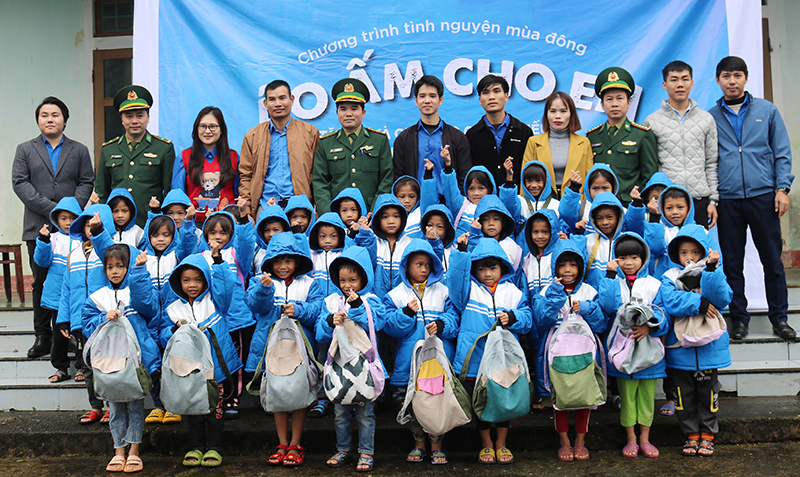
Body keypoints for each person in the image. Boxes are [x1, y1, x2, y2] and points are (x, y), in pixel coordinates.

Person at [708, 56, 795, 341]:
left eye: (737, 76)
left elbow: (782, 151)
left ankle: (779, 319)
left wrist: (782, 188)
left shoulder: (766, 111)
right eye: (726, 76)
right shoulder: (711, 116)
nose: (731, 81)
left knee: (772, 260)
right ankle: (740, 320)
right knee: (732, 263)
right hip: (729, 200)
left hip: (763, 197)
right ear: (718, 80)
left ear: (745, 78)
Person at [12, 96, 95, 359]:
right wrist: (53, 210)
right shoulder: (25, 149)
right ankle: (42, 336)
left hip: (73, 229)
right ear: (38, 120)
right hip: (39, 227)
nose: (50, 119)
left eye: (55, 114)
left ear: (65, 120)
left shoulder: (79, 150)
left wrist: (70, 212)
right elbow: (20, 183)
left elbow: (86, 182)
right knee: (41, 281)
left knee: (72, 279)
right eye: (44, 115)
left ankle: (67, 332)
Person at [160, 251, 250, 468]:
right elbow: (162, 333)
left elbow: (227, 287)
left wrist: (218, 262)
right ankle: (196, 447)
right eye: (186, 280)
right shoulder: (173, 309)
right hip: (188, 370)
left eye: (198, 280)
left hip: (215, 369)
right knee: (193, 411)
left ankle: (215, 448)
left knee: (215, 410)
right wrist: (174, 329)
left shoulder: (216, 302)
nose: (192, 285)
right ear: (177, 281)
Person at [449, 237, 532, 464]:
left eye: (493, 268)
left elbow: (527, 318)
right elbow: (455, 278)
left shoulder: (512, 292)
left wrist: (514, 317)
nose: (487, 273)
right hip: (475, 358)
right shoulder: (467, 291)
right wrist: (462, 252)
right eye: (482, 268)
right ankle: (487, 444)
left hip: (504, 359)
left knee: (503, 399)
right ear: (474, 269)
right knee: (482, 402)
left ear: (502, 268)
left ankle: (502, 444)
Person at [246, 232, 323, 467]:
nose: (282, 266)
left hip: (300, 350)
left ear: (298, 262)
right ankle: (282, 442)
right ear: (269, 262)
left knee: (299, 395)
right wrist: (265, 289)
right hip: (273, 350)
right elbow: (255, 304)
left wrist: (299, 310)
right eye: (278, 261)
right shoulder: (260, 281)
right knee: (278, 392)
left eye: (288, 261)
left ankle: (296, 443)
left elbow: (318, 310)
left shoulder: (310, 283)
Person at [82, 244, 160, 473]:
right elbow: (86, 324)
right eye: (110, 267)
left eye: (120, 266)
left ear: (128, 267)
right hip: (108, 362)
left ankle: (134, 450)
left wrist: (139, 272)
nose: (115, 271)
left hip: (133, 362)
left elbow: (150, 307)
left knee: (136, 406)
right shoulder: (98, 297)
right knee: (115, 409)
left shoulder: (136, 292)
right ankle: (118, 450)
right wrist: (102, 318)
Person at [383, 239, 459, 465]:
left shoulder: (444, 291)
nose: (424, 269)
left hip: (437, 359)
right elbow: (389, 326)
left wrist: (442, 324)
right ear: (406, 265)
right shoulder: (396, 294)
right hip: (410, 360)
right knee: (415, 402)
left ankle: (437, 445)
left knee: (436, 400)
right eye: (418, 264)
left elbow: (454, 317)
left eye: (427, 264)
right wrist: (406, 313)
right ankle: (418, 443)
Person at [660, 225, 732, 457]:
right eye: (683, 253)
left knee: (709, 394)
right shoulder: (670, 276)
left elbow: (721, 298)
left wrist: (710, 270)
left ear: (704, 252)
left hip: (709, 347)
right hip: (681, 349)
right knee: (684, 396)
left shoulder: (714, 271)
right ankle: (691, 434)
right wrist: (698, 302)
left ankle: (708, 435)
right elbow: (670, 301)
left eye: (695, 252)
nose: (689, 257)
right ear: (676, 255)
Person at [316, 246, 386, 472]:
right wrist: (329, 321)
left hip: (363, 367)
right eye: (343, 280)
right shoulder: (330, 302)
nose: (347, 285)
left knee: (366, 413)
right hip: (339, 368)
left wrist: (356, 306)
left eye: (353, 280)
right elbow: (320, 333)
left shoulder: (370, 300)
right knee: (340, 413)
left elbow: (377, 322)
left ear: (364, 278)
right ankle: (343, 449)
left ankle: (366, 452)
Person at [598, 233, 668, 459]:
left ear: (644, 258)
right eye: (622, 257)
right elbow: (607, 306)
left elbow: (664, 314)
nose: (628, 263)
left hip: (649, 352)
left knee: (647, 397)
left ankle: (645, 439)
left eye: (634, 257)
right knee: (627, 399)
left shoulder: (654, 284)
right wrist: (609, 275)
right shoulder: (613, 282)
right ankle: (631, 439)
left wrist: (651, 327)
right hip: (622, 352)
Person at [534, 239, 604, 462]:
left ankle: (580, 441)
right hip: (556, 351)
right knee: (561, 396)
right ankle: (564, 441)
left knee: (584, 395)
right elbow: (541, 320)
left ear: (581, 267)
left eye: (573, 265)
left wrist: (586, 308)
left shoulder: (589, 291)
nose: (567, 270)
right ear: (555, 267)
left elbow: (601, 323)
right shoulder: (546, 290)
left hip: (583, 350)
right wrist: (555, 296)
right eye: (562, 264)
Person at [55, 205, 117, 425]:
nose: (91, 226)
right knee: (88, 367)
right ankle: (96, 406)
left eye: (96, 222)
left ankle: (112, 405)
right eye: (87, 223)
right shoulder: (74, 255)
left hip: (105, 318)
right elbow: (66, 290)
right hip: (82, 321)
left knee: (109, 365)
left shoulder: (110, 251)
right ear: (81, 227)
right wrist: (64, 318)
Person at [644, 61, 719, 228]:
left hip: (699, 199)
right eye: (674, 79)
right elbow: (651, 165)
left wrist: (713, 200)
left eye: (685, 79)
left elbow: (711, 163)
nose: (680, 84)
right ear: (664, 84)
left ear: (692, 83)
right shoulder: (652, 121)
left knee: (699, 250)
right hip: (668, 201)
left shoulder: (706, 119)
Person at [95, 85, 176, 227]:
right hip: (117, 223)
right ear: (121, 119)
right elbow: (102, 192)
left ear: (148, 117)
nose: (134, 121)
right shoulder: (108, 149)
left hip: (150, 221)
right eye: (128, 116)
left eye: (140, 115)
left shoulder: (164, 148)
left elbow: (169, 190)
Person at [313, 78, 393, 215]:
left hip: (370, 213)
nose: (348, 114)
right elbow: (320, 183)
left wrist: (375, 210)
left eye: (354, 108)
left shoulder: (379, 140)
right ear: (337, 113)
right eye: (343, 109)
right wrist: (329, 214)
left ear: (363, 113)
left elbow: (387, 179)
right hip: (337, 214)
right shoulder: (326, 143)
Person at [239, 80, 320, 217]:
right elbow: (245, 176)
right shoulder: (252, 136)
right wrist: (247, 213)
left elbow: (318, 176)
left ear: (292, 99)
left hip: (300, 208)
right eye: (272, 99)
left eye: (282, 98)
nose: (277, 104)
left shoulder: (310, 133)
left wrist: (316, 209)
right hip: (265, 207)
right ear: (265, 103)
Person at [586, 67, 658, 206]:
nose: (615, 104)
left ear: (629, 102)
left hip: (629, 206)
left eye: (620, 98)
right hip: (599, 206)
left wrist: (639, 203)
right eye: (609, 99)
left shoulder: (642, 135)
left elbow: (649, 177)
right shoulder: (592, 136)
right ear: (602, 104)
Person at [393, 75, 472, 198]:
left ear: (440, 100)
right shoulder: (404, 138)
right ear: (416, 100)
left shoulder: (457, 137)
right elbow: (398, 177)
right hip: (415, 205)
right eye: (422, 96)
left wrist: (457, 202)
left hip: (449, 205)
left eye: (432, 96)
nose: (427, 101)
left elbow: (464, 176)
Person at [34, 197, 82, 382]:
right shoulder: (52, 239)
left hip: (77, 295)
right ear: (56, 219)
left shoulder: (83, 239)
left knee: (79, 332)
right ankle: (60, 368)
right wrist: (43, 242)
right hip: (56, 295)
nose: (68, 222)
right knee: (58, 334)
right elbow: (42, 261)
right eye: (64, 218)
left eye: (72, 218)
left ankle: (81, 366)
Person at [172, 107, 239, 223]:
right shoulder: (184, 157)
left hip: (227, 224)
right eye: (202, 126)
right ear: (196, 129)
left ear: (221, 129)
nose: (207, 131)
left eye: (212, 126)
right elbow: (177, 196)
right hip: (193, 224)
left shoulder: (233, 157)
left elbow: (240, 194)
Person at [522, 92, 593, 198]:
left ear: (571, 114)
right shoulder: (533, 142)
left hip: (575, 204)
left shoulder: (584, 142)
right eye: (553, 111)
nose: (558, 116)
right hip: (542, 205)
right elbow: (525, 180)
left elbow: (589, 180)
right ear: (546, 114)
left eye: (563, 111)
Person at [466, 74, 532, 187]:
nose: (491, 97)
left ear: (506, 96)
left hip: (517, 198)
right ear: (480, 100)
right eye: (485, 93)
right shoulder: (472, 135)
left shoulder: (523, 132)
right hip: (484, 199)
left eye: (496, 91)